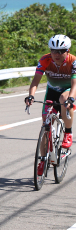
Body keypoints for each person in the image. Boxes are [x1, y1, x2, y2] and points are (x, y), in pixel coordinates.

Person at [25, 34, 76, 175]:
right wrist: (31, 95)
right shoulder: (45, 60)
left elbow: (74, 84)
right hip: (51, 91)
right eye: (53, 50)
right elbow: (35, 81)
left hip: (68, 91)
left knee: (62, 100)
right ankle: (43, 160)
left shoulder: (74, 62)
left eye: (61, 51)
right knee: (45, 126)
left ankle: (68, 133)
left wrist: (71, 99)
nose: (56, 54)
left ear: (68, 51)